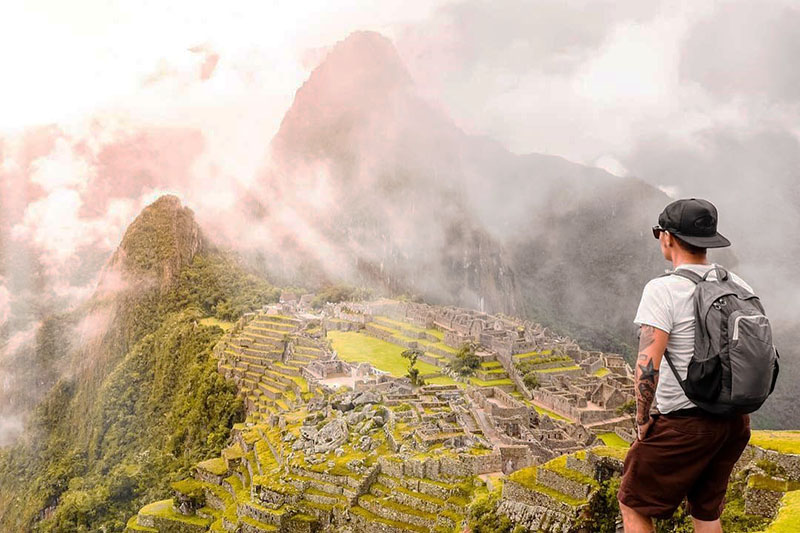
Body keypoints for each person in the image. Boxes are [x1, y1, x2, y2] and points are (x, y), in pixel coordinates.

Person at [617, 198, 752, 533]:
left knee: (632, 502)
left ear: (667, 237)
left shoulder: (663, 289)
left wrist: (642, 420)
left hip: (686, 423)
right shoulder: (737, 285)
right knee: (706, 512)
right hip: (735, 421)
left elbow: (648, 362)